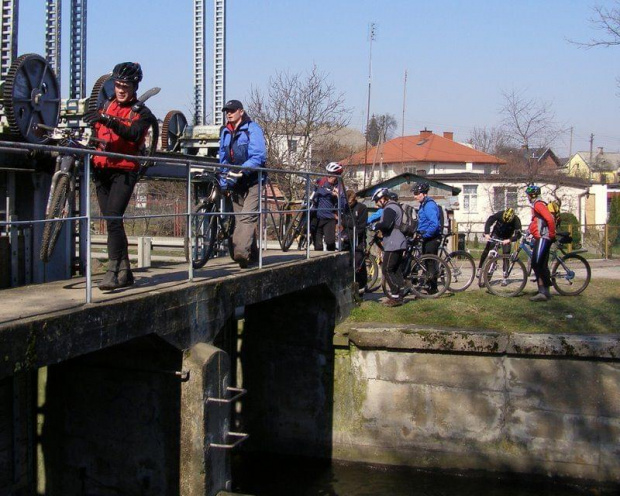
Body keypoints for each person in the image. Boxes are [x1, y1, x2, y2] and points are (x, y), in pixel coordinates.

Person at [83, 62, 158, 291]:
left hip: (124, 171)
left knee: (114, 217)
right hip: (102, 169)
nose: (121, 89)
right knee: (111, 221)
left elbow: (134, 134)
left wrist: (106, 120)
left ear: (135, 86)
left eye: (125, 85)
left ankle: (113, 269)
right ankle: (126, 270)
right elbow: (96, 133)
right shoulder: (106, 104)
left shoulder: (142, 113)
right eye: (117, 85)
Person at [219, 99, 267, 268]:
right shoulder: (225, 131)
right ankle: (252, 256)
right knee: (240, 219)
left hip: (253, 179)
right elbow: (223, 159)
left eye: (232, 110)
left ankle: (239, 252)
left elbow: (258, 156)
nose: (229, 113)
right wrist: (224, 180)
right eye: (227, 111)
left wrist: (241, 170)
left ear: (241, 111)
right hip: (235, 182)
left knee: (246, 218)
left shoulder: (252, 129)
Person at [371, 188, 407, 307]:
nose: (376, 204)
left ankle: (396, 296)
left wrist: (376, 226)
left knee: (386, 269)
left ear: (382, 198)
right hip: (397, 241)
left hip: (394, 242)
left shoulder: (390, 207)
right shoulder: (395, 206)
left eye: (376, 201)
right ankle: (400, 294)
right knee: (395, 269)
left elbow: (386, 224)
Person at [526, 185, 556, 302]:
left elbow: (549, 219)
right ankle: (543, 292)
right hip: (541, 237)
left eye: (528, 194)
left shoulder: (539, 205)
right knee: (540, 264)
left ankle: (544, 289)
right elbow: (536, 221)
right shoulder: (536, 205)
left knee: (536, 263)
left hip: (544, 237)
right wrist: (528, 231)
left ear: (532, 195)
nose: (527, 197)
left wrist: (551, 234)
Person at [478, 208, 522, 285]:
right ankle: (480, 268)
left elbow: (518, 235)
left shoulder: (516, 220)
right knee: (487, 249)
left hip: (507, 237)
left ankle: (505, 276)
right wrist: (487, 233)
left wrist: (510, 240)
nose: (505, 222)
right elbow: (489, 221)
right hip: (496, 233)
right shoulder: (500, 214)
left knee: (506, 255)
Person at [411, 181, 442, 293]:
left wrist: (425, 234)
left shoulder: (429, 205)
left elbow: (434, 224)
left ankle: (433, 288)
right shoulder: (423, 205)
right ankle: (429, 284)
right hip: (426, 236)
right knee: (426, 261)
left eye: (416, 193)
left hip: (432, 237)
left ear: (423, 193)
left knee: (430, 262)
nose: (415, 196)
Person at [313, 162, 345, 251]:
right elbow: (317, 191)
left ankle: (331, 260)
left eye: (332, 175)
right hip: (317, 216)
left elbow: (343, 204)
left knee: (330, 242)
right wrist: (330, 192)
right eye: (328, 174)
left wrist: (338, 196)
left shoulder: (340, 186)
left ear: (337, 176)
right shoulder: (322, 181)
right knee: (317, 245)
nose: (329, 177)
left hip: (329, 217)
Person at [342, 190, 368, 293]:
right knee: (347, 263)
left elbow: (361, 227)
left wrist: (351, 236)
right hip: (346, 237)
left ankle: (362, 285)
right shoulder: (345, 208)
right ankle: (350, 285)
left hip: (358, 239)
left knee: (359, 263)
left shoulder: (362, 208)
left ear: (354, 200)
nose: (349, 205)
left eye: (350, 202)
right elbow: (344, 222)